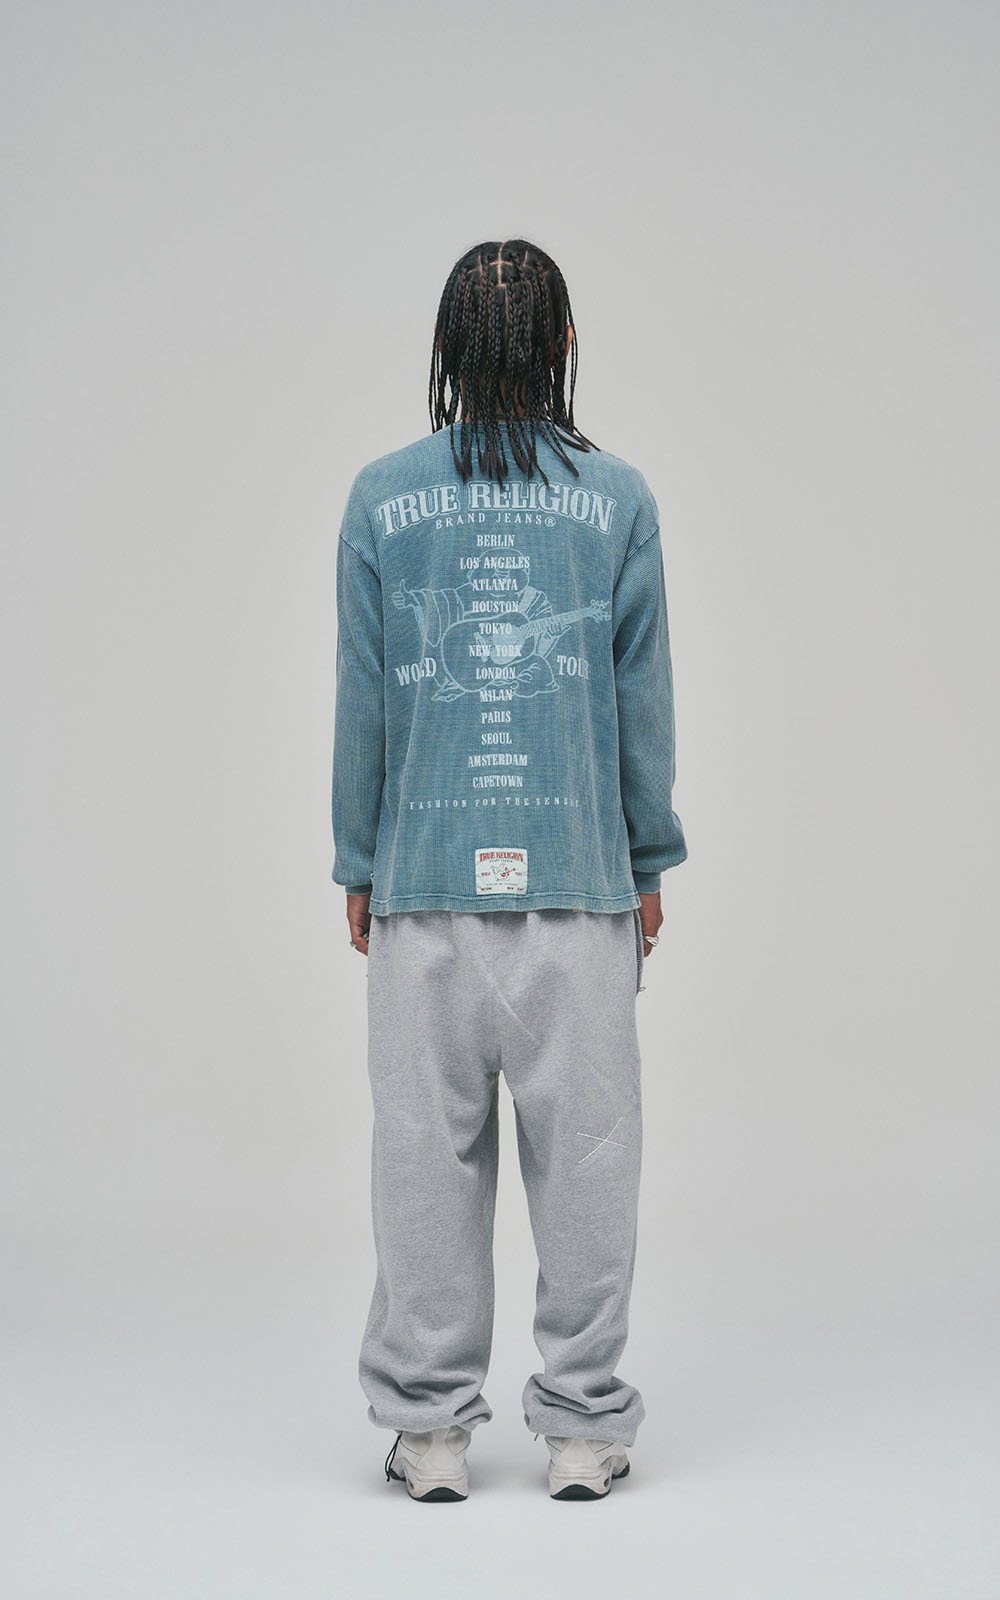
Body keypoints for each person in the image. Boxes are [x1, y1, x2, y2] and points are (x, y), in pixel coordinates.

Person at [330, 238, 688, 1502]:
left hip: (424, 889)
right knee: (588, 1160)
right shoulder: (619, 498)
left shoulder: (381, 497)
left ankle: (429, 1432)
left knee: (421, 1161)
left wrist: (358, 860)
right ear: (563, 347)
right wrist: (649, 857)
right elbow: (639, 704)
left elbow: (364, 701)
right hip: (579, 892)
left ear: (447, 351)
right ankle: (583, 1427)